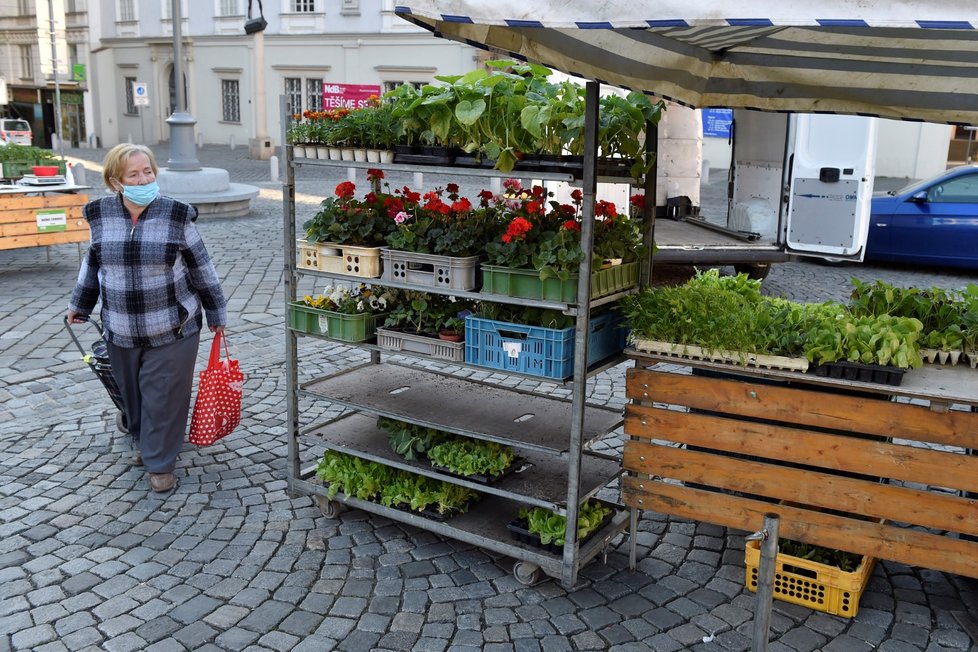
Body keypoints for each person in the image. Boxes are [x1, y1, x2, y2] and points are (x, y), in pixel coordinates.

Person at [67, 144, 227, 493]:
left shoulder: (177, 215)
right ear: (116, 182)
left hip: (173, 326)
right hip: (120, 327)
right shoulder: (100, 214)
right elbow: (92, 264)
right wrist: (80, 304)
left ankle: (160, 462)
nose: (144, 179)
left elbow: (202, 267)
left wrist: (216, 311)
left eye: (148, 171)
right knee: (133, 394)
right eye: (134, 174)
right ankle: (146, 441)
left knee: (164, 394)